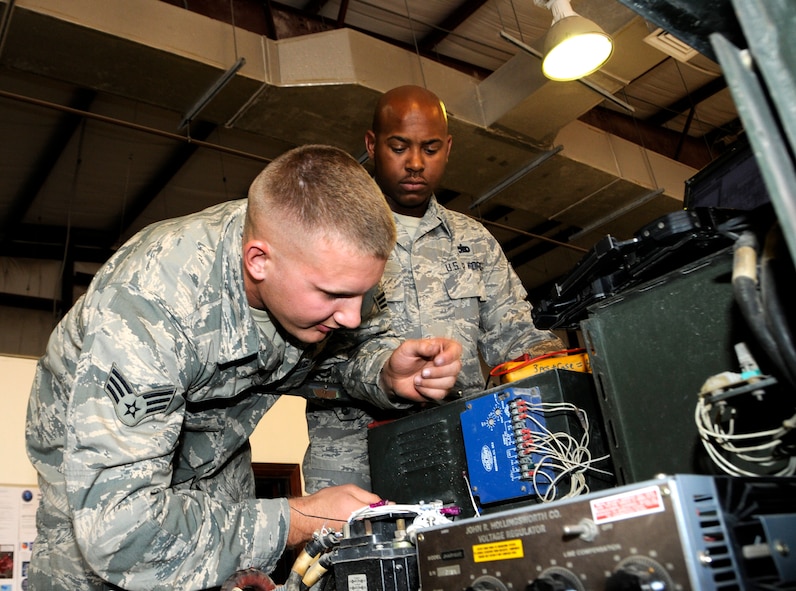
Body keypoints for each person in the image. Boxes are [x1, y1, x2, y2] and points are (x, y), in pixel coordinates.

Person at [24, 144, 462, 591]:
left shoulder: (321, 267)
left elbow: (328, 362)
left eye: (362, 295)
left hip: (219, 454)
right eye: (333, 296)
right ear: (259, 261)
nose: (351, 316)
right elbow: (119, 532)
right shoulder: (151, 308)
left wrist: (383, 373)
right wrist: (298, 518)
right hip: (101, 480)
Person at [303, 85, 564, 493]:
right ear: (372, 145)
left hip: (460, 444)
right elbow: (310, 362)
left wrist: (557, 360)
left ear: (448, 148)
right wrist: (385, 376)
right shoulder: (330, 233)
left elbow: (514, 335)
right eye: (399, 146)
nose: (414, 163)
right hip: (353, 454)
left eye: (430, 148)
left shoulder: (473, 239)